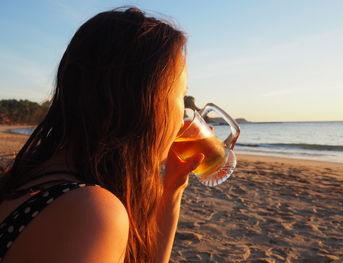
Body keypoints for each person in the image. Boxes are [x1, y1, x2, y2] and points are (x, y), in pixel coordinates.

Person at [0, 7, 204, 263]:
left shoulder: (26, 179)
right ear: (144, 100)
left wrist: (171, 192)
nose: (185, 113)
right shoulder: (89, 214)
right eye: (181, 94)